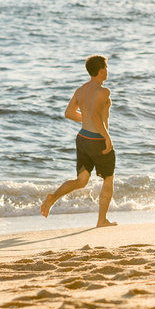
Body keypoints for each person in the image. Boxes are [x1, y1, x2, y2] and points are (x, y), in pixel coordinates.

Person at [41, 54, 117, 227]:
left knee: (81, 181)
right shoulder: (103, 91)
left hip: (82, 138)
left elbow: (68, 113)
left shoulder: (81, 89)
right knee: (108, 178)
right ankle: (102, 220)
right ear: (100, 70)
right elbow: (97, 117)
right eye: (106, 67)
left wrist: (86, 120)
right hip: (97, 140)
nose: (107, 70)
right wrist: (107, 138)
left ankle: (53, 197)